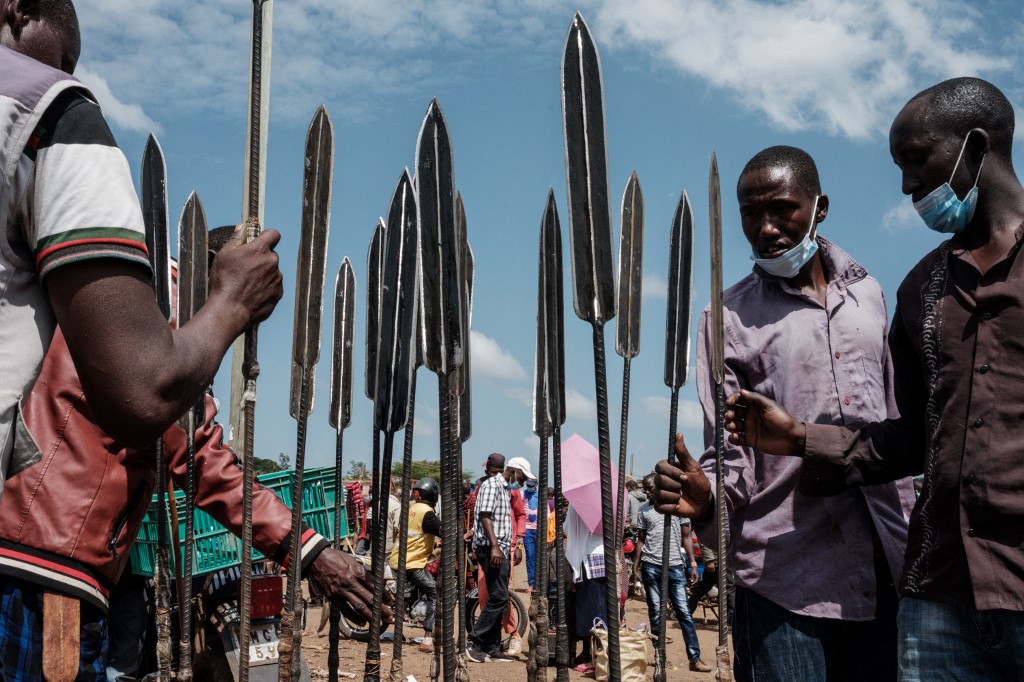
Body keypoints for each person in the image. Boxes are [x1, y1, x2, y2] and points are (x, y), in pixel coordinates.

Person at [715, 78, 1024, 680]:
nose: (907, 186)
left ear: (976, 145)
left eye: (915, 161)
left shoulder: (870, 296)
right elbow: (908, 439)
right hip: (938, 594)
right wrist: (801, 439)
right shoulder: (921, 291)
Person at [0, 226, 380, 680]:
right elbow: (199, 456)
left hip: (48, 551)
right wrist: (309, 550)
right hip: (49, 562)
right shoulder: (162, 305)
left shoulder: (140, 296)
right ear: (222, 268)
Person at [0, 0, 283, 503]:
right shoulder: (49, 109)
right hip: (47, 530)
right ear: (17, 9)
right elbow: (148, 397)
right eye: (65, 57)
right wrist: (234, 303)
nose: (65, 72)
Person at [656, 145, 917, 680]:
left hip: (887, 565)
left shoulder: (869, 294)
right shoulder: (724, 317)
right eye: (751, 213)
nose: (766, 228)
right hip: (785, 580)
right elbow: (728, 456)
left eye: (782, 209)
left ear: (819, 207)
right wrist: (706, 496)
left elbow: (896, 417)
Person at [633, 474, 710, 673]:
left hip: (675, 565)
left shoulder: (678, 508)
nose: (647, 492)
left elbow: (686, 537)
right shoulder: (644, 511)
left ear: (659, 488)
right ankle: (660, 657)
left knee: (684, 613)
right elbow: (641, 540)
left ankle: (695, 658)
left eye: (650, 488)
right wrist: (636, 565)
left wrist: (692, 563)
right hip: (650, 565)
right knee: (656, 613)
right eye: (646, 489)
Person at [467, 453, 535, 663]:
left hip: (502, 549)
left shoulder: (506, 489)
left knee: (500, 597)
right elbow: (484, 516)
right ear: (513, 471)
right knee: (497, 597)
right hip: (491, 549)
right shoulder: (491, 486)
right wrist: (495, 546)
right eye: (521, 479)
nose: (521, 484)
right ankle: (475, 642)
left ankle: (492, 646)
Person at [390, 478, 441, 653]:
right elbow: (442, 529)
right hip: (411, 562)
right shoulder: (427, 513)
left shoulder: (412, 509)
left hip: (401, 558)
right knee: (436, 593)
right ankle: (427, 637)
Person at [523, 479, 539, 592]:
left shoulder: (540, 495)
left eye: (531, 486)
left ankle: (540, 582)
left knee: (539, 556)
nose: (529, 487)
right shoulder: (522, 494)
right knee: (530, 555)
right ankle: (531, 583)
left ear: (536, 485)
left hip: (539, 529)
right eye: (528, 485)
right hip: (527, 530)